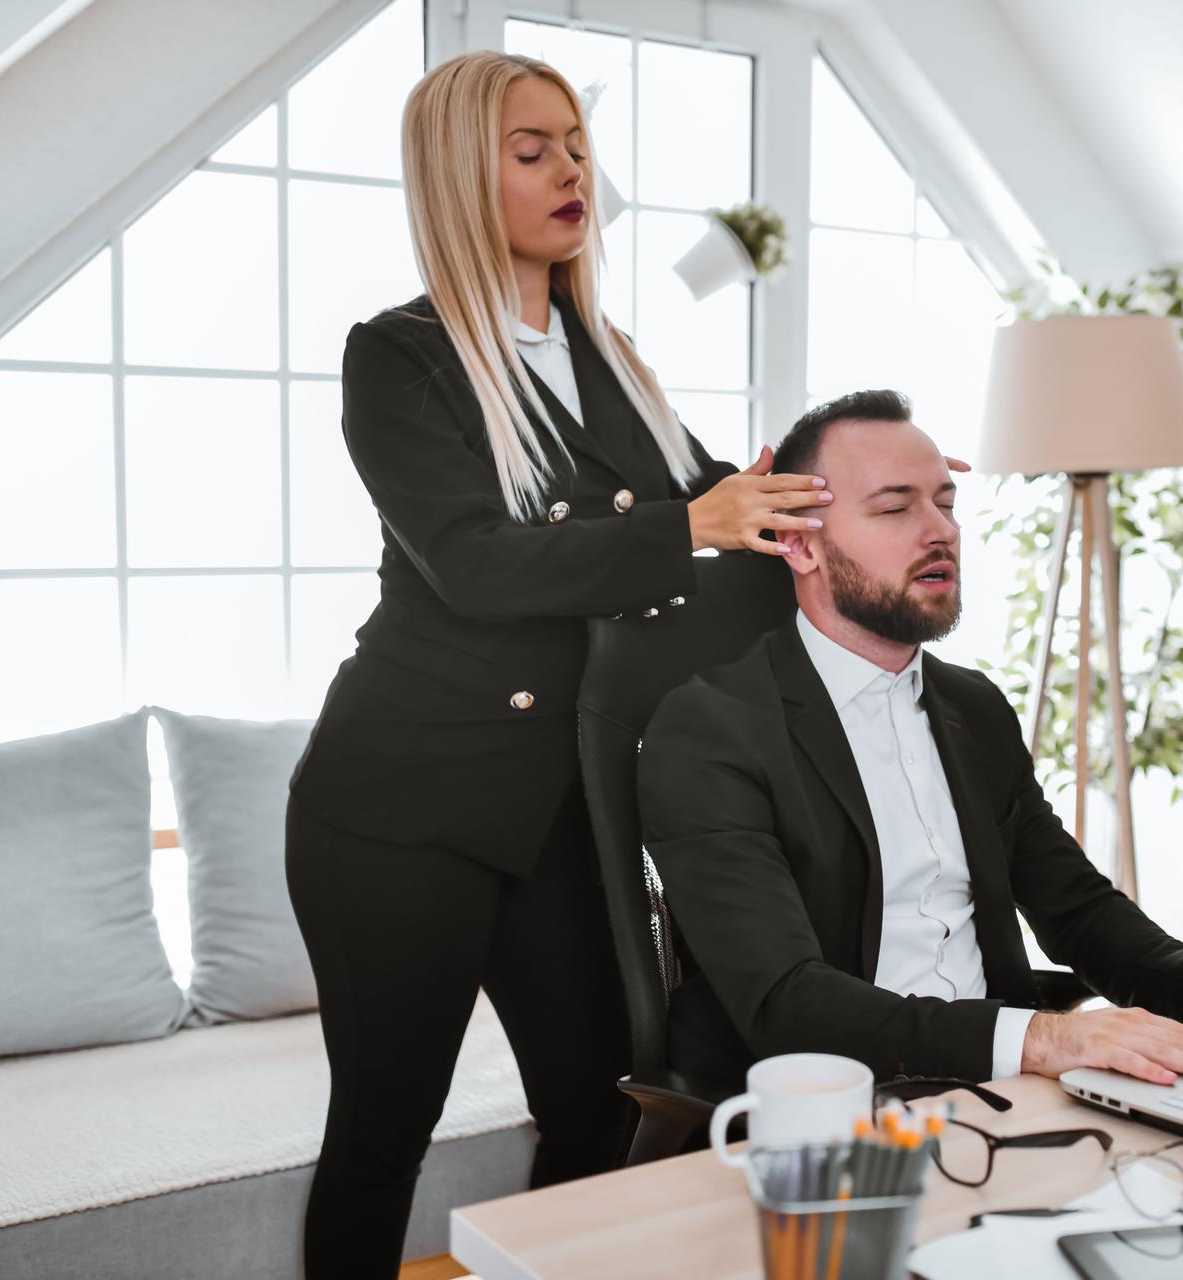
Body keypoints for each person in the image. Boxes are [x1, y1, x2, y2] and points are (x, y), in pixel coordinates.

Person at [282, 52, 829, 1280]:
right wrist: (692, 522)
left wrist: (820, 507)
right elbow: (477, 565)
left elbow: (707, 530)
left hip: (559, 808)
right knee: (383, 1135)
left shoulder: (612, 353)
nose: (569, 171)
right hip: (397, 808)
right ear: (461, 176)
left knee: (598, 1113)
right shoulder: (400, 357)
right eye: (532, 151)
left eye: (576, 146)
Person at [637, 390, 1183, 1092]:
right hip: (833, 1112)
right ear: (800, 546)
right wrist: (1044, 1039)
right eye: (896, 506)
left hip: (1010, 1091)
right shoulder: (709, 731)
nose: (942, 531)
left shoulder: (971, 707)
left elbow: (1075, 908)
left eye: (946, 504)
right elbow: (785, 1003)